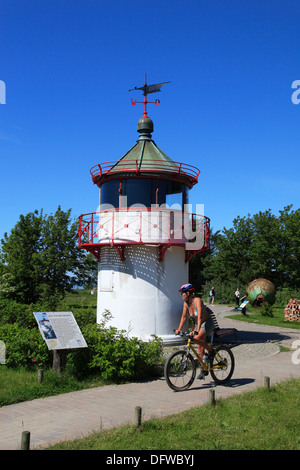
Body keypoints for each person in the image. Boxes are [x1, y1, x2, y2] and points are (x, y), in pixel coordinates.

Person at [175, 283, 215, 379]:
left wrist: (196, 331)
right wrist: (179, 329)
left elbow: (200, 316)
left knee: (196, 338)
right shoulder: (186, 304)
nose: (181, 295)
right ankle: (204, 369)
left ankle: (211, 351)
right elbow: (184, 317)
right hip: (198, 324)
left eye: (183, 293)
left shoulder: (197, 301)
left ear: (188, 293)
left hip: (206, 322)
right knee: (200, 349)